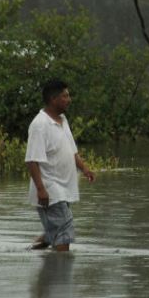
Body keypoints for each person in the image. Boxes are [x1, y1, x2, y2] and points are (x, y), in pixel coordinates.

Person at [25, 79, 95, 251]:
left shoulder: (62, 120)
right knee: (64, 233)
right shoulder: (40, 125)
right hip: (50, 190)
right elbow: (32, 160)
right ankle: (61, 275)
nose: (69, 99)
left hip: (63, 190)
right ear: (53, 99)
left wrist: (84, 168)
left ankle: (39, 257)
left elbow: (72, 151)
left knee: (57, 231)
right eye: (65, 96)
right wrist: (41, 189)